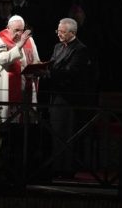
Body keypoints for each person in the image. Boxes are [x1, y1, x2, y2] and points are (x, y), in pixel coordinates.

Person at [49, 18, 89, 178]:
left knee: (67, 134)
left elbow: (72, 73)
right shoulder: (57, 46)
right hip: (56, 97)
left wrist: (49, 72)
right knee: (56, 133)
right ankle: (56, 168)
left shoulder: (81, 50)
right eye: (58, 31)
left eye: (62, 32)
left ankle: (66, 170)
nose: (59, 34)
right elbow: (53, 64)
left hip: (69, 99)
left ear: (73, 33)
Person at [0, 15, 40, 122]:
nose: (19, 34)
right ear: (8, 28)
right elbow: (2, 60)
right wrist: (19, 45)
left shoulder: (29, 40)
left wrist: (41, 68)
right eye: (16, 30)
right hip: (6, 90)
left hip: (27, 88)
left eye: (21, 30)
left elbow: (36, 61)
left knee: (27, 125)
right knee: (8, 125)